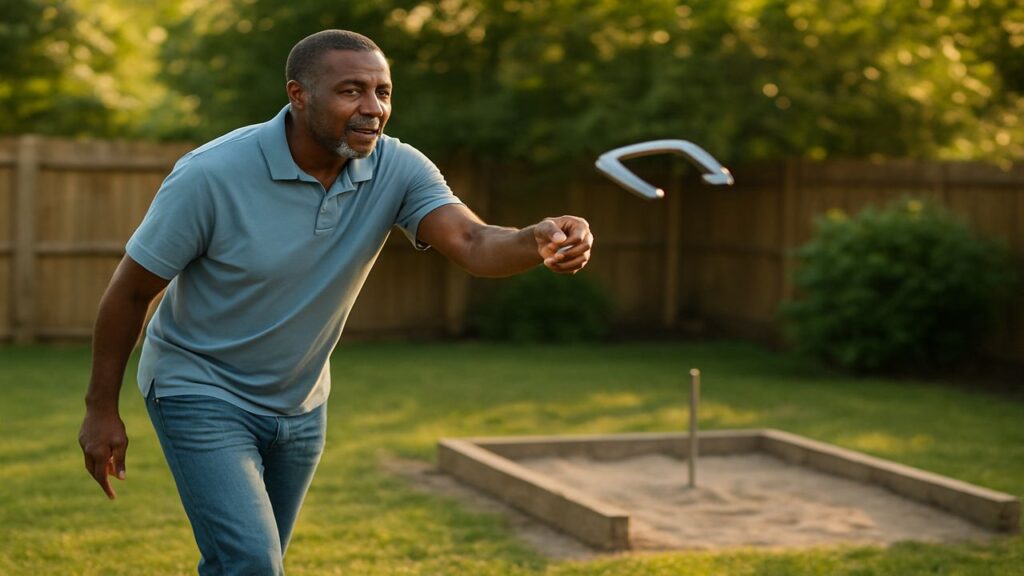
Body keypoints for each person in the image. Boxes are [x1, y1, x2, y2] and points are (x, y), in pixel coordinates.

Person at [77, 29, 592, 575]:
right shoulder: (212, 175)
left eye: (384, 92)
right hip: (199, 388)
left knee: (254, 563)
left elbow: (472, 242)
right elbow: (131, 290)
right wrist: (100, 408)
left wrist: (534, 240)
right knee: (251, 563)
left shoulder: (398, 168)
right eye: (352, 91)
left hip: (301, 403)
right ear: (299, 95)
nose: (374, 108)